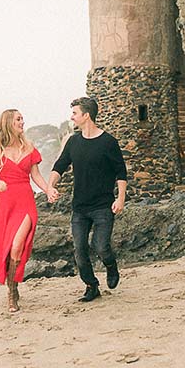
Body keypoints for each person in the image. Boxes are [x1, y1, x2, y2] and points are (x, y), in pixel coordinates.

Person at [46, 96, 127, 303]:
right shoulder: (73, 142)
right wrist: (50, 187)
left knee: (101, 247)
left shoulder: (108, 142)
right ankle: (91, 286)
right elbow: (59, 166)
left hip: (103, 207)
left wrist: (120, 199)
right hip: (80, 208)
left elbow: (121, 173)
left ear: (86, 115)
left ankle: (110, 265)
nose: (71, 117)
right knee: (80, 250)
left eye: (74, 113)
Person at [0, 109, 54, 312]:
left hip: (25, 201)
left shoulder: (29, 147)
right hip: (5, 202)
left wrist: (48, 189)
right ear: (8, 123)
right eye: (18, 119)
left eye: (22, 118)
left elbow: (36, 176)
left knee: (17, 246)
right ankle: (12, 288)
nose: (22, 122)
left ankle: (12, 292)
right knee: (7, 246)